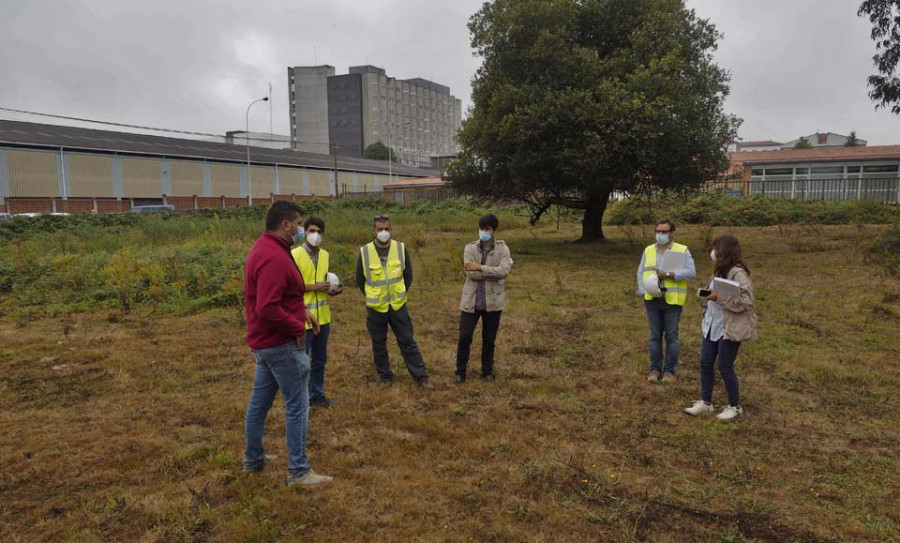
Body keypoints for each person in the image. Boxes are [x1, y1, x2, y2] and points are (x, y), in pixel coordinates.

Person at [242, 201, 332, 487]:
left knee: (260, 402)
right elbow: (268, 307)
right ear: (285, 224)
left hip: (266, 344)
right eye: (298, 223)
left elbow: (281, 297)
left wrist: (301, 311)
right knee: (298, 404)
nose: (301, 229)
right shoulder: (274, 257)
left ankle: (253, 459)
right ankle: (298, 471)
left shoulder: (266, 248)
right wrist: (297, 327)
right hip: (280, 345)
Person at [684, 235, 758, 421]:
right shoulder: (719, 271)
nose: (712, 252)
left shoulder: (738, 274)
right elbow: (712, 292)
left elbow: (746, 301)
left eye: (716, 248)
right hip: (712, 325)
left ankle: (735, 406)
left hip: (729, 328)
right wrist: (706, 301)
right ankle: (706, 403)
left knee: (725, 365)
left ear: (725, 251)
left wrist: (718, 298)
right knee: (705, 362)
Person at [356, 214, 433, 388]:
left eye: (386, 229)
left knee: (407, 340)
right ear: (373, 231)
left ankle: (421, 377)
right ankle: (385, 377)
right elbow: (360, 279)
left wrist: (399, 294)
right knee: (379, 343)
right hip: (376, 307)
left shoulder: (400, 248)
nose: (383, 232)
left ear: (391, 229)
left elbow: (408, 276)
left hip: (398, 306)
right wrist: (374, 295)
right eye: (380, 229)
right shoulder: (365, 251)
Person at [636, 218, 696, 382]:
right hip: (652, 300)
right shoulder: (648, 250)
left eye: (664, 231)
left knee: (671, 336)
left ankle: (669, 371)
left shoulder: (682, 250)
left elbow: (691, 272)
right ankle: (654, 370)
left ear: (672, 233)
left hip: (672, 301)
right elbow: (641, 271)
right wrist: (643, 290)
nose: (660, 234)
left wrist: (670, 274)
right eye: (658, 231)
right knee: (654, 336)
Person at [454, 214, 512, 384]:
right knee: (464, 337)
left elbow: (504, 271)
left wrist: (479, 267)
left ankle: (487, 372)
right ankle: (460, 372)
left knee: (489, 339)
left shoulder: (503, 249)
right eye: (481, 229)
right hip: (471, 301)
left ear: (494, 230)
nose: (483, 232)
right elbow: (470, 273)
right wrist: (491, 271)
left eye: (487, 229)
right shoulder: (470, 248)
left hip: (493, 302)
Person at [292, 216, 343, 408]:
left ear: (324, 234)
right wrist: (315, 286)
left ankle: (317, 395)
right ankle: (299, 399)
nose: (315, 235)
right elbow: (290, 287)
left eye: (319, 232)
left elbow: (325, 283)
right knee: (301, 362)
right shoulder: (294, 255)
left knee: (319, 360)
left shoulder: (325, 256)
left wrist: (333, 289)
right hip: (302, 317)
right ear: (304, 232)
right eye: (311, 231)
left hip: (323, 317)